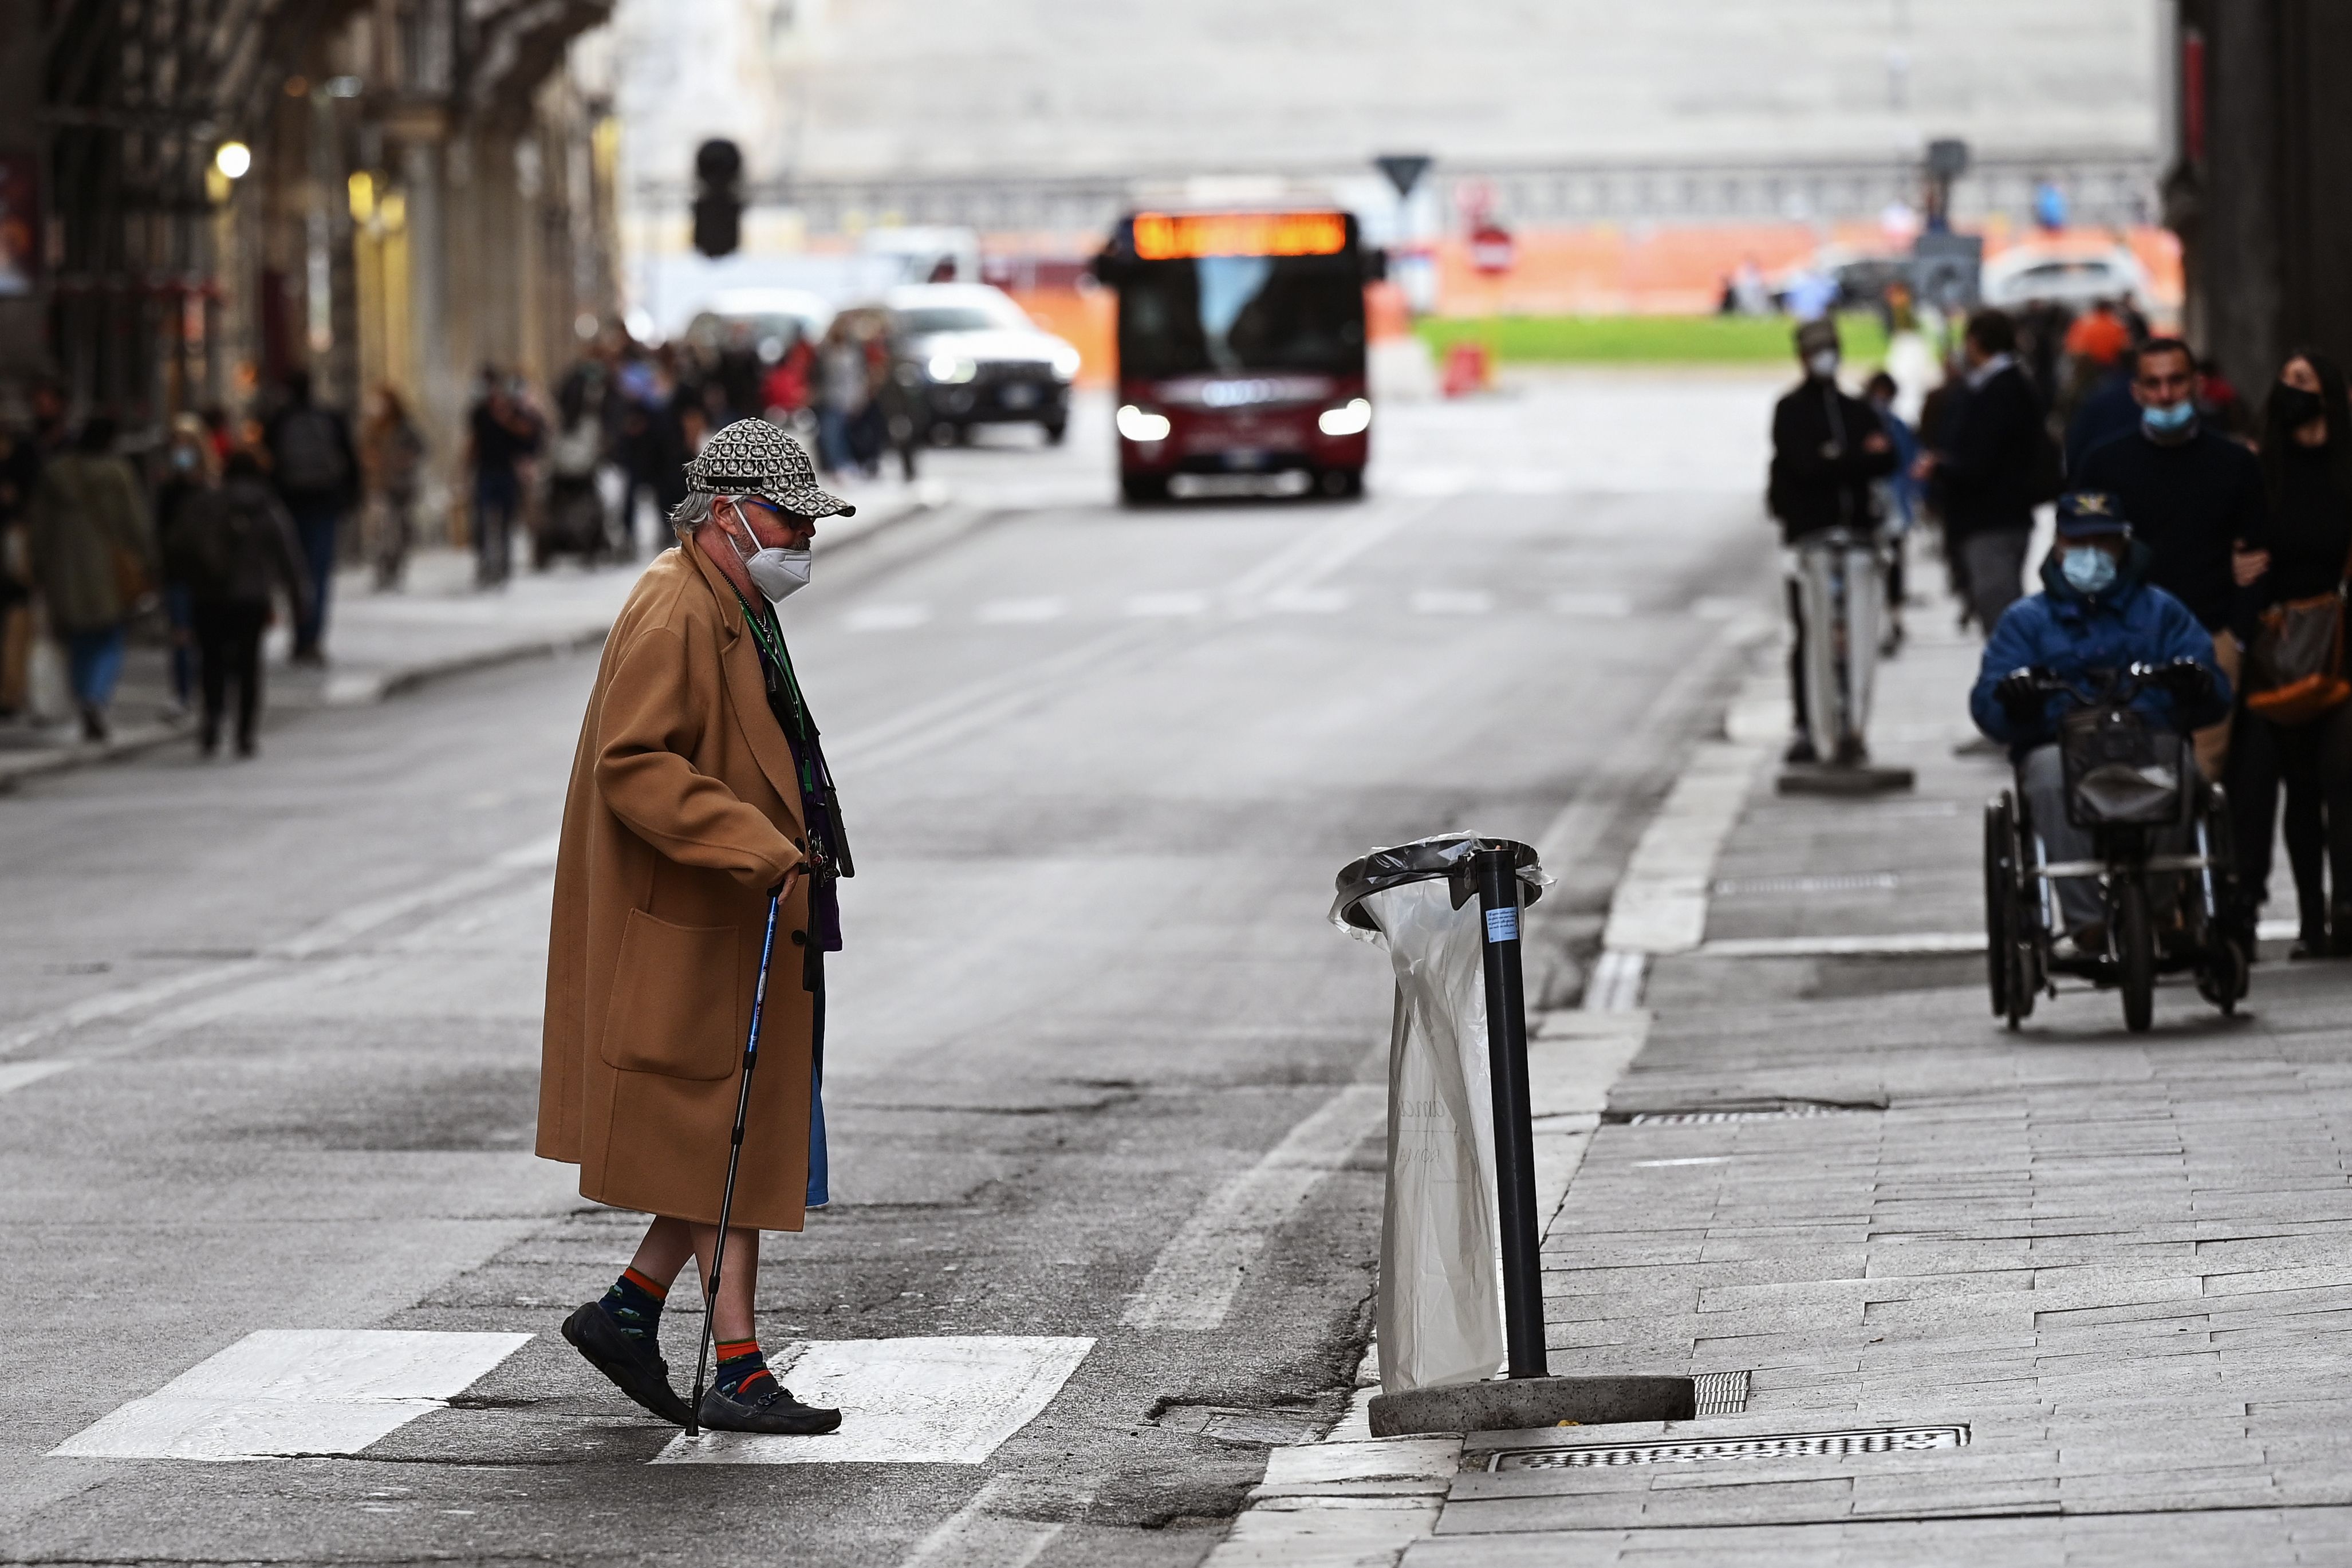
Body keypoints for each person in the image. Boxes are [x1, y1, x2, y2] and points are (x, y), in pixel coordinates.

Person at [538, 419, 854, 1437]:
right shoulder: (677, 606)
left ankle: (643, 1314)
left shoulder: (728, 598)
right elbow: (633, 765)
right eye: (788, 519)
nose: (802, 539)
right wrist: (756, 845)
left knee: (738, 1138)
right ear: (724, 514)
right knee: (735, 1134)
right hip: (711, 913)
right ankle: (732, 1363)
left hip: (740, 918)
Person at [1971, 492, 2231, 950]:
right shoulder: (2025, 622)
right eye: (2078, 542)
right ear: (2057, 546)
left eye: (2104, 543)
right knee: (2049, 777)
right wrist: (2016, 699)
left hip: (2146, 738)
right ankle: (2085, 920)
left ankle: (2158, 907)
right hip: (2060, 743)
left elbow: (2212, 688)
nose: (2091, 554)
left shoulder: (2162, 611)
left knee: (2184, 771)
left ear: (2123, 546)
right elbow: (1989, 704)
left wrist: (2196, 684)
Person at [2074, 336, 2267, 780]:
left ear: (2196, 385)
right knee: (2129, 776)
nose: (2165, 394)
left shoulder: (2234, 464)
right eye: (2154, 383)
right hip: (2124, 640)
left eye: (2176, 381)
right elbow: (2076, 553)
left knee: (2201, 776)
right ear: (2136, 392)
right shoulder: (2103, 464)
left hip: (2211, 637)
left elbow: (2256, 556)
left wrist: (2236, 636)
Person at [2231, 352, 2352, 958]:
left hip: (2340, 646)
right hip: (2276, 650)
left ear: (2329, 393)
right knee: (2293, 786)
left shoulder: (2345, 468)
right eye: (2282, 382)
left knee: (2342, 775)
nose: (2289, 392)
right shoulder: (2261, 470)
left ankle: (2346, 908)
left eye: (2302, 382)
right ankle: (2309, 917)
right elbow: (2237, 537)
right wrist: (2234, 563)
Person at [1766, 318, 1895, 762]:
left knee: (1858, 635)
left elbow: (1886, 456)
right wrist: (1855, 459)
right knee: (1812, 633)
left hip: (1856, 538)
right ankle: (1811, 724)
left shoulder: (1854, 408)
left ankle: (1853, 724)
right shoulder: (1791, 409)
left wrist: (1839, 459)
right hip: (1812, 540)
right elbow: (1804, 466)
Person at [164, 446, 312, 758]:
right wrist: (300, 601)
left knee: (211, 663)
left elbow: (178, 546)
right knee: (248, 667)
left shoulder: (204, 503)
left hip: (209, 596)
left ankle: (212, 723)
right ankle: (245, 734)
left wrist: (179, 588)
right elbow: (289, 557)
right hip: (251, 599)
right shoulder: (267, 507)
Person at [1915, 309, 2054, 638]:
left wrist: (1942, 467)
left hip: (1994, 517)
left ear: (1975, 342)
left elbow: (1983, 458)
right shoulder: (1998, 386)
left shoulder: (2000, 390)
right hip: (1994, 515)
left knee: (1999, 607)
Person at [23, 416, 159, 742]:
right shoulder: (117, 474)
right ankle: (95, 697)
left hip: (63, 569)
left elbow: (37, 526)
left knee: (76, 638)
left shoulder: (55, 474)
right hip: (108, 569)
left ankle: (84, 695)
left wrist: (38, 566)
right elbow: (135, 522)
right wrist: (150, 562)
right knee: (109, 636)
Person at [262, 369, 359, 664]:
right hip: (324, 505)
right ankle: (312, 638)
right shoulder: (330, 418)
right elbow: (350, 463)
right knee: (318, 574)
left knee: (293, 574)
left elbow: (269, 465)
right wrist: (349, 499)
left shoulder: (279, 422)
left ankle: (300, 635)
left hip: (290, 506)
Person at [153, 415, 219, 716]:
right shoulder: (168, 488)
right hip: (178, 569)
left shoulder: (211, 487)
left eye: (187, 443)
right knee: (181, 633)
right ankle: (182, 692)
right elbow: (159, 529)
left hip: (208, 572)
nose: (181, 449)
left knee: (206, 635)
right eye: (176, 443)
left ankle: (208, 690)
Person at [466, 368, 542, 587]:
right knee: (482, 519)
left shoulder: (516, 413)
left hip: (508, 472)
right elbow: (474, 441)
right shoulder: (480, 413)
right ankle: (484, 564)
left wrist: (507, 420)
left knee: (506, 523)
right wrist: (463, 470)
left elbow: (531, 437)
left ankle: (504, 566)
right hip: (485, 471)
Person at [358, 385, 426, 590]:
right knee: (381, 530)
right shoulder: (373, 428)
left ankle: (396, 569)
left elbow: (421, 448)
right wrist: (370, 459)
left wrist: (405, 459)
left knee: (400, 530)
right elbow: (363, 449)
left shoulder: (405, 427)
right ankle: (382, 570)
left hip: (402, 486)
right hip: (380, 486)